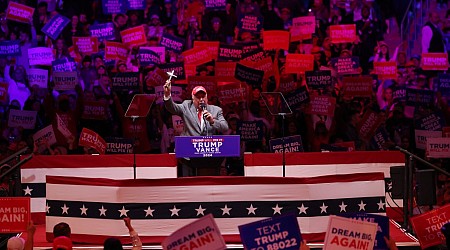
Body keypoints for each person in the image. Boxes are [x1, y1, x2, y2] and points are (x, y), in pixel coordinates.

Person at [163, 80, 228, 176]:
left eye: (203, 96)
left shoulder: (216, 110)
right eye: (198, 97)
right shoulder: (186, 106)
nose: (201, 99)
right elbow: (172, 108)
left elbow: (225, 127)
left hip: (209, 154)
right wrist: (167, 95)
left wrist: (212, 121)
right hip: (188, 154)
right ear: (193, 99)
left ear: (207, 97)